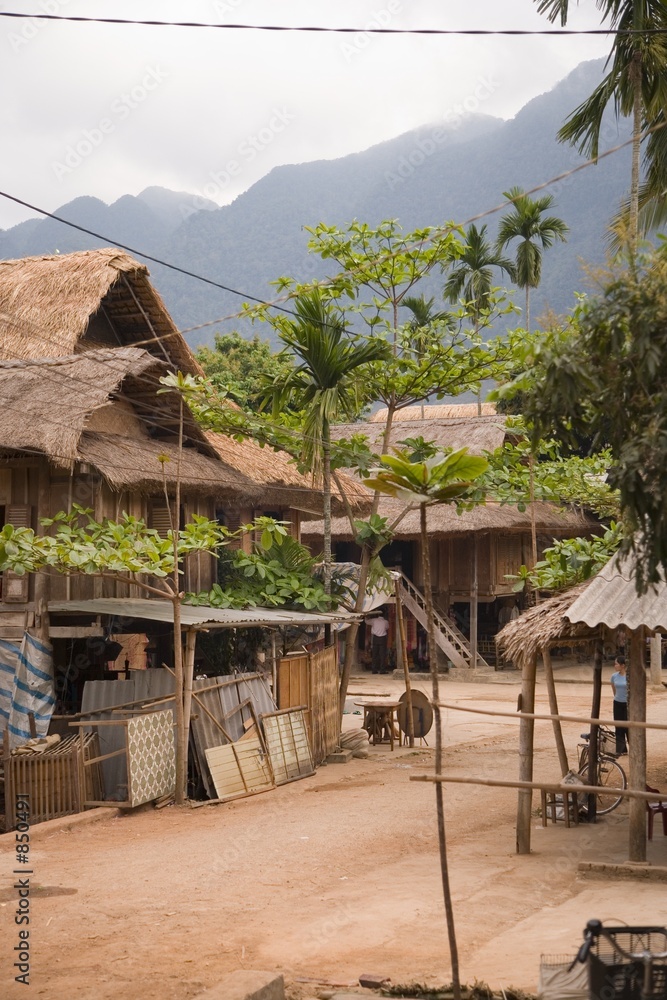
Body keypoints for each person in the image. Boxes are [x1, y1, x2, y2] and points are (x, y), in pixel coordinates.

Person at [610, 654, 628, 755]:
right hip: (617, 703)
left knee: (628, 726)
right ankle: (621, 749)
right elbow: (614, 689)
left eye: (616, 664)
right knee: (618, 726)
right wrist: (618, 698)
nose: (614, 666)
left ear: (622, 665)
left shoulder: (629, 676)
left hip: (627, 704)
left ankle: (633, 747)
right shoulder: (613, 676)